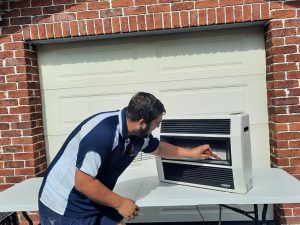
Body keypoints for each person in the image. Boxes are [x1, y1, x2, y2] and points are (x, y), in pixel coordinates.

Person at [38, 92, 211, 225]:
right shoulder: (102, 134)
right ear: (143, 122)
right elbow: (83, 182)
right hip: (64, 206)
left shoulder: (138, 134)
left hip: (95, 198)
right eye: (157, 123)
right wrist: (120, 203)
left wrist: (192, 153)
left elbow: (158, 148)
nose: (158, 126)